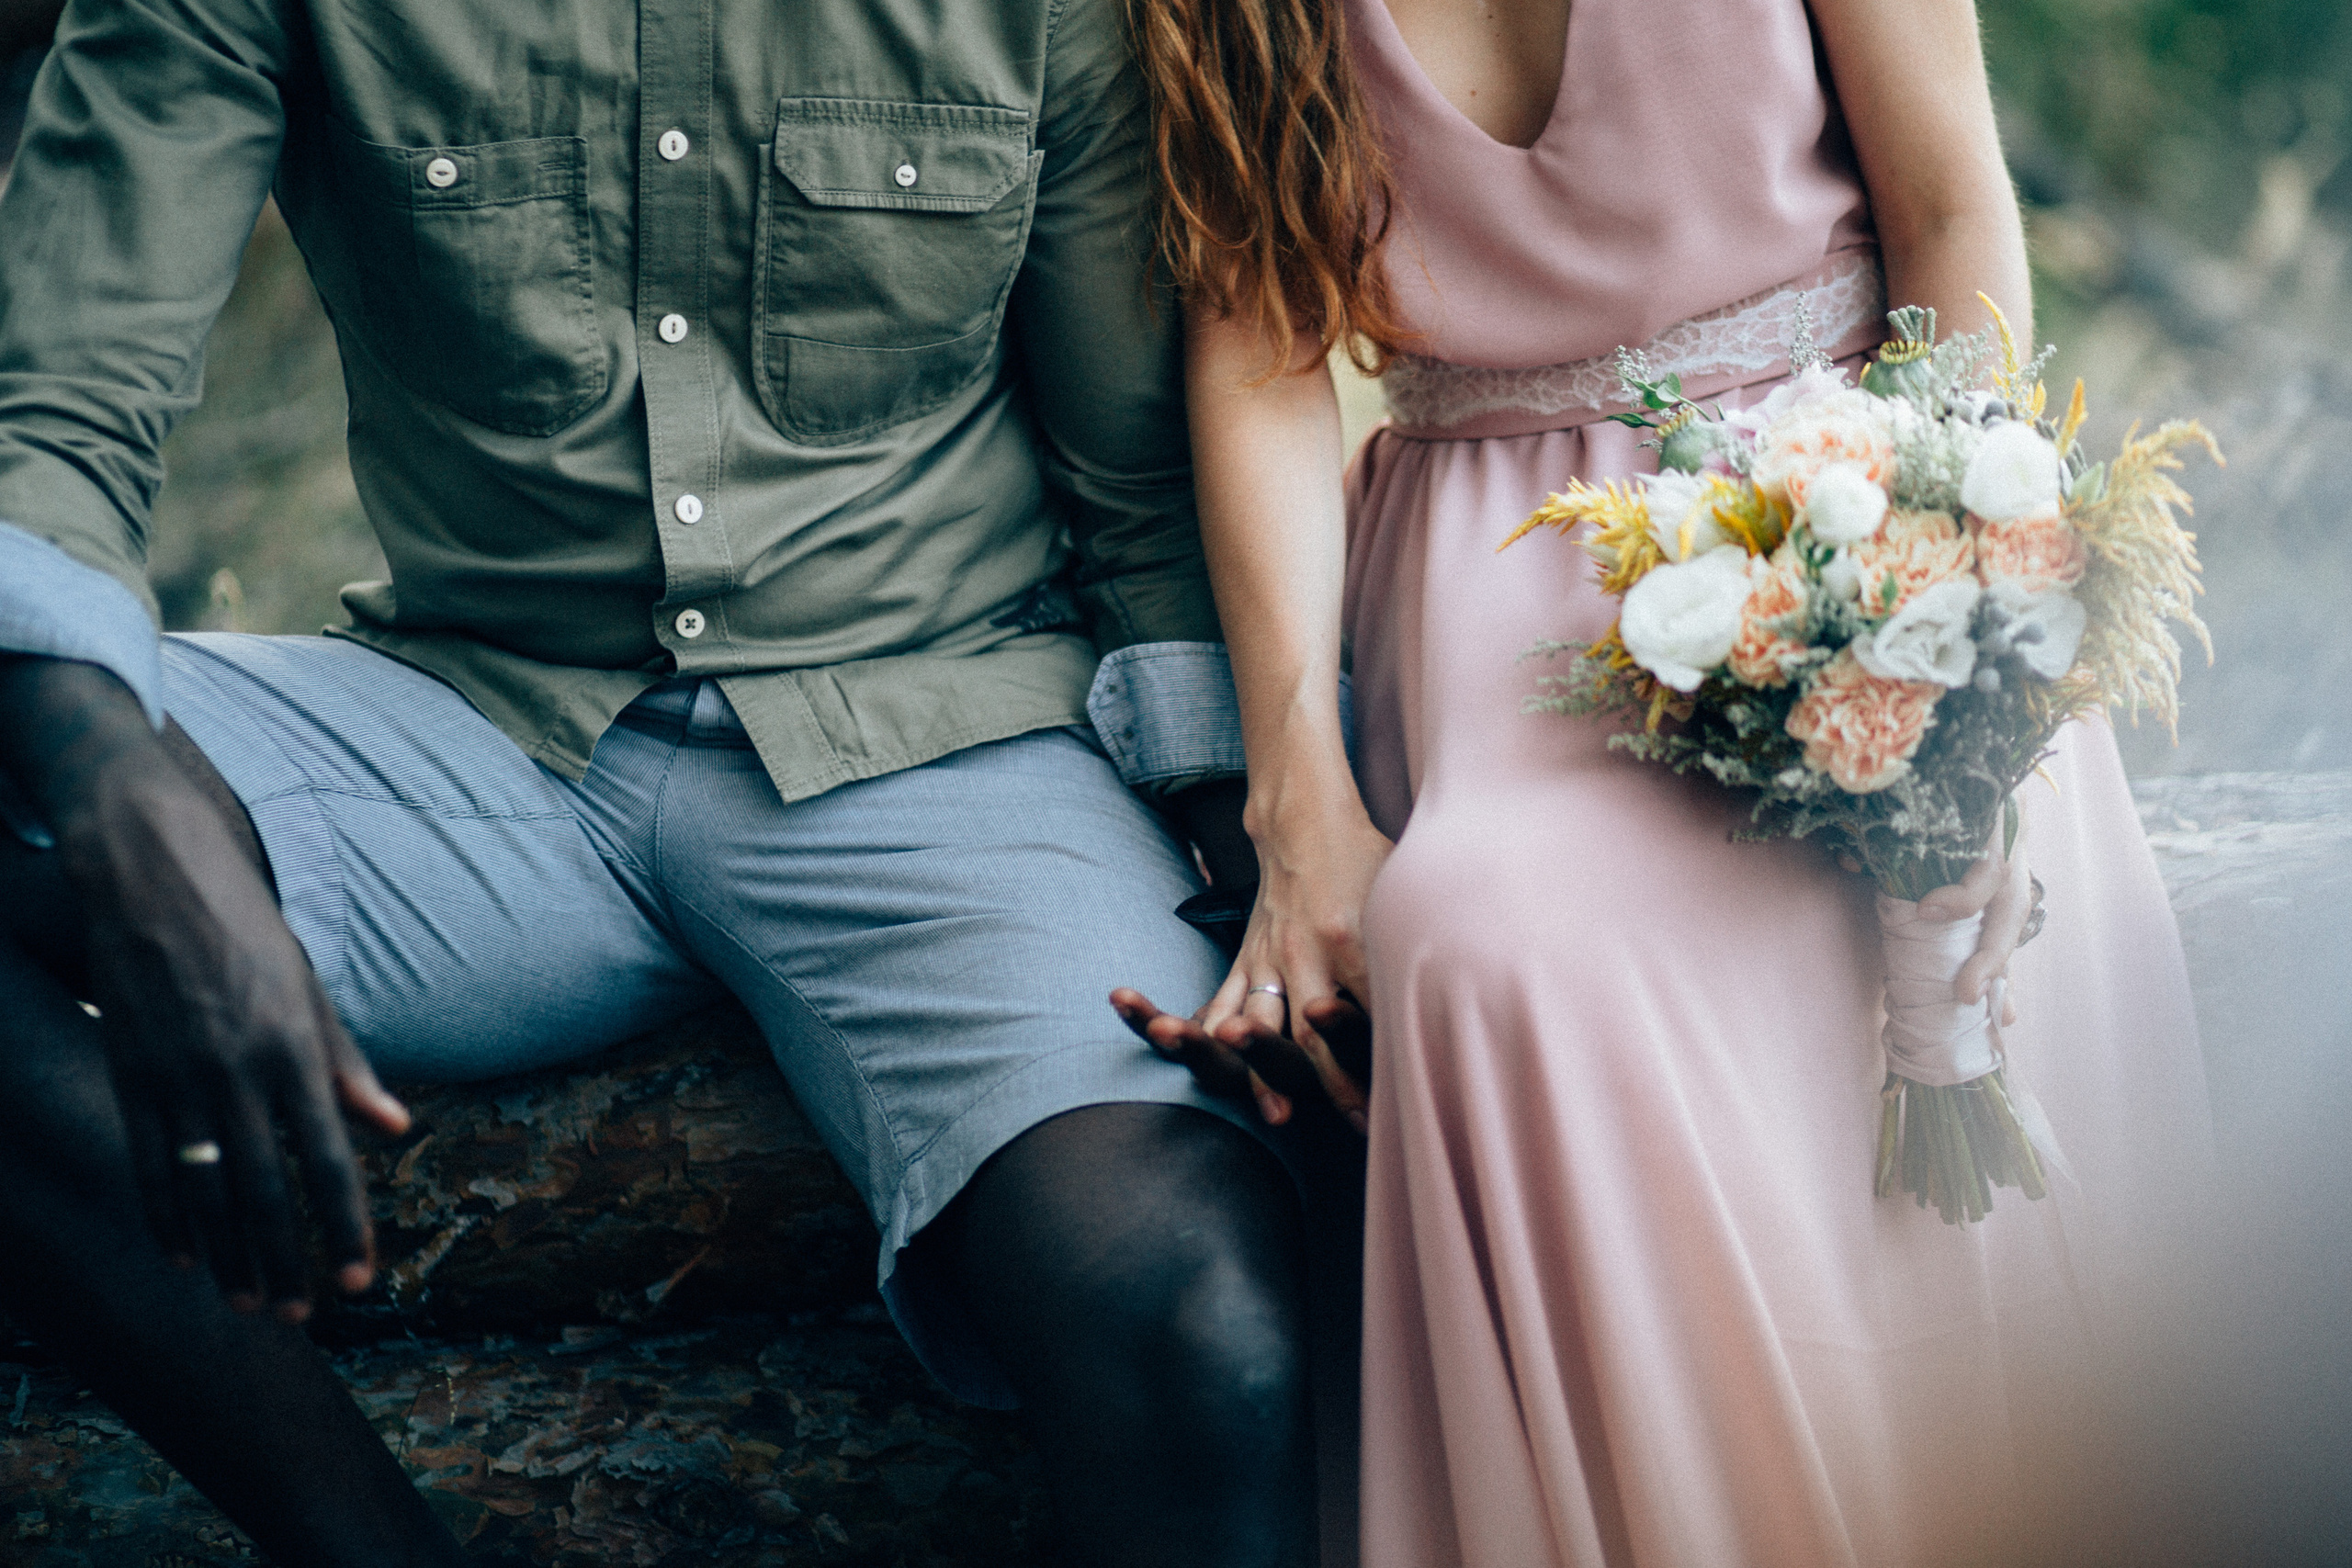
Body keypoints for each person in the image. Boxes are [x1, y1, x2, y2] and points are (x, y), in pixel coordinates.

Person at [0, 1, 1356, 1562]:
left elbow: (1137, 485)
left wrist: (1243, 847)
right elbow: (55, 422)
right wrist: (121, 796)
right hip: (468, 729)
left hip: (944, 737)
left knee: (1202, 1328)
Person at [1113, 0, 2212, 1562]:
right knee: (1480, 941)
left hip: (1855, 518)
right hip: (1481, 593)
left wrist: (1952, 641)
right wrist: (1301, 803)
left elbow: (1954, 205)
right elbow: (1257, 341)